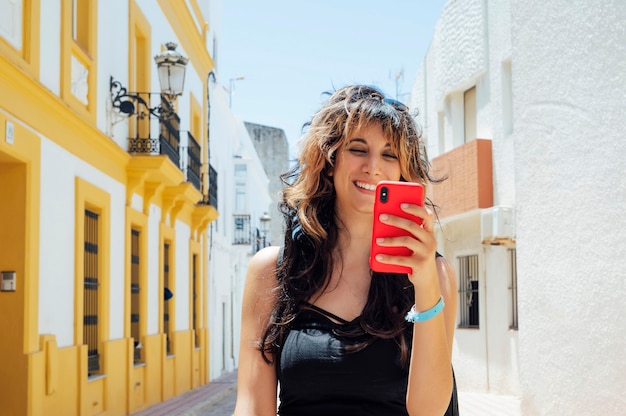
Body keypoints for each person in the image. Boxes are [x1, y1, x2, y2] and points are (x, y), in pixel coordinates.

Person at [235, 85, 459, 416]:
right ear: (329, 161)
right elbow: (252, 406)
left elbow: (428, 411)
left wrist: (425, 284)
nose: (373, 166)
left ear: (402, 170)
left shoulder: (435, 274)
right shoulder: (272, 271)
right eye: (358, 149)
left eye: (389, 154)